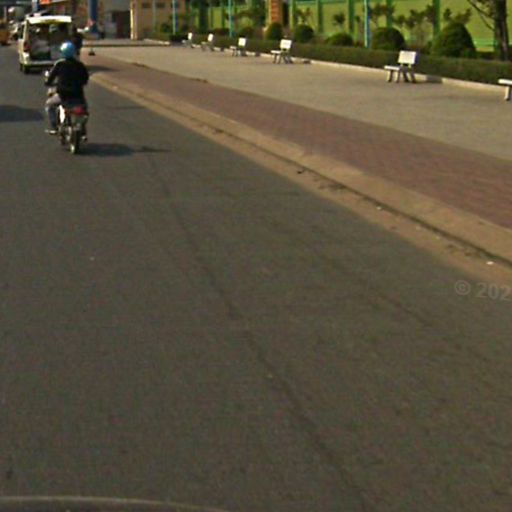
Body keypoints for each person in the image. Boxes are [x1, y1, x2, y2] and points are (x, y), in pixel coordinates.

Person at [45, 41, 89, 135]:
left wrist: (48, 82)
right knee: (84, 110)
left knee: (49, 105)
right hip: (78, 95)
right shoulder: (80, 65)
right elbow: (85, 79)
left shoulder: (59, 64)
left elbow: (50, 78)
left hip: (63, 95)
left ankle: (55, 126)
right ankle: (83, 130)